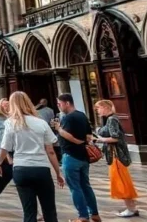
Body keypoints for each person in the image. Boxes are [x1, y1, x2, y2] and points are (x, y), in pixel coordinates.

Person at [0, 92, 64, 222]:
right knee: (49, 210)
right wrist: (58, 172)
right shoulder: (41, 123)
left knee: (29, 211)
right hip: (41, 168)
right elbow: (50, 150)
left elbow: (4, 147)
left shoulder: (10, 123)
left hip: (21, 168)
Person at [54, 93, 99, 222]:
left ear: (67, 103)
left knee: (75, 187)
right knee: (86, 185)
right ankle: (94, 213)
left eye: (59, 103)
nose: (58, 106)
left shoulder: (68, 118)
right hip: (83, 157)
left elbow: (69, 136)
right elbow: (89, 135)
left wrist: (59, 129)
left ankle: (83, 216)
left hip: (71, 155)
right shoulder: (82, 115)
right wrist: (81, 141)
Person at [93, 100, 139, 218]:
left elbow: (115, 137)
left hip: (116, 155)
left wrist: (99, 139)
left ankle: (130, 208)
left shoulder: (111, 119)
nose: (97, 111)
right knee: (123, 181)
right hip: (116, 155)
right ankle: (132, 207)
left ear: (105, 107)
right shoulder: (111, 119)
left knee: (122, 182)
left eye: (98, 108)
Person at [36, 97, 61, 162]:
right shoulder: (50, 110)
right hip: (47, 127)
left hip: (40, 128)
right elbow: (51, 120)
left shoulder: (36, 110)